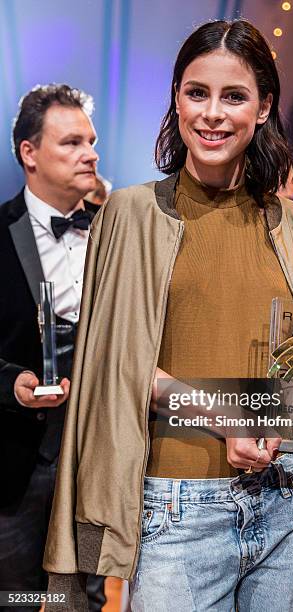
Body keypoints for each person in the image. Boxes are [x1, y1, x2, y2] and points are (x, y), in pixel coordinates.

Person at [44, 21, 293, 612]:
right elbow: (117, 367)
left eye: (234, 96)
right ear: (177, 99)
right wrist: (224, 420)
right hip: (179, 511)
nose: (213, 114)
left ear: (264, 107)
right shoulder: (131, 214)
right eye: (197, 93)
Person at [0, 84, 105, 611]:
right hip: (16, 462)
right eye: (71, 143)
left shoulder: (114, 235)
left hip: (94, 458)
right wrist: (11, 385)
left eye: (90, 141)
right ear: (29, 152)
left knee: (82, 599)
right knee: (14, 596)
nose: (90, 153)